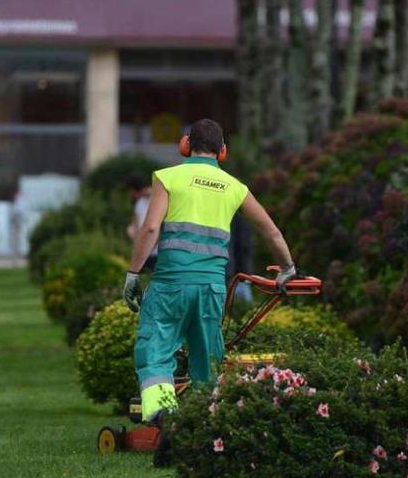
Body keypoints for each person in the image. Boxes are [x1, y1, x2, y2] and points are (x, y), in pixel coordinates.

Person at [122, 118, 297, 424]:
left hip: (171, 285)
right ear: (222, 152)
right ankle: (207, 425)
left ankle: (165, 415)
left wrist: (133, 274)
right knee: (208, 359)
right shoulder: (235, 187)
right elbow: (272, 234)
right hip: (212, 288)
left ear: (185, 146)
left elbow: (150, 228)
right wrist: (287, 269)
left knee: (156, 352)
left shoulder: (168, 177)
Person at [126, 176, 157, 271]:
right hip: (142, 251)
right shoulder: (139, 203)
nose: (131, 195)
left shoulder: (157, 199)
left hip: (156, 252)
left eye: (131, 191)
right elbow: (135, 224)